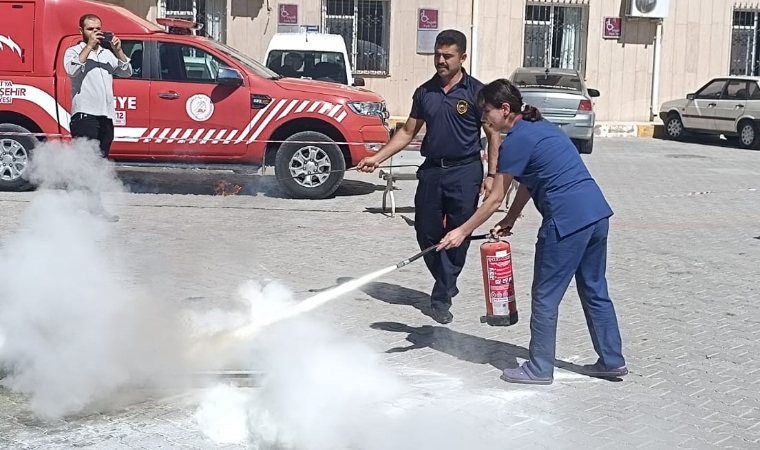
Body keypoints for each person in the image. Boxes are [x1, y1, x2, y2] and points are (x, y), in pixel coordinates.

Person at [437, 79, 627, 385]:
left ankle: (539, 368)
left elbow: (495, 196)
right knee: (594, 289)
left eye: (487, 111)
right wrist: (511, 218)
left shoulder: (515, 141)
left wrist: (461, 231)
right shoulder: (540, 128)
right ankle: (612, 361)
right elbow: (527, 179)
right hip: (596, 214)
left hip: (566, 222)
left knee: (545, 296)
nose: (483, 118)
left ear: (505, 109)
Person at [357, 29, 501, 325]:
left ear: (462, 57)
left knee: (460, 234)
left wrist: (492, 174)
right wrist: (377, 158)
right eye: (437, 55)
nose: (441, 61)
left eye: (447, 56)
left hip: (465, 171)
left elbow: (492, 134)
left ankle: (441, 296)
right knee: (426, 232)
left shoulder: (477, 92)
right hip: (433, 170)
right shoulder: (425, 92)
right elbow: (408, 132)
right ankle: (447, 280)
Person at [63, 13, 133, 222]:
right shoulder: (73, 51)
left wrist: (119, 50)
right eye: (90, 29)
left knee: (98, 165)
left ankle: (94, 207)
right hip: (85, 114)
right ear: (81, 31)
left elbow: (127, 72)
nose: (95, 33)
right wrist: (88, 48)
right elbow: (72, 70)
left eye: (98, 29)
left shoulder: (107, 54)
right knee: (85, 162)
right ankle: (73, 207)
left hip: (105, 115)